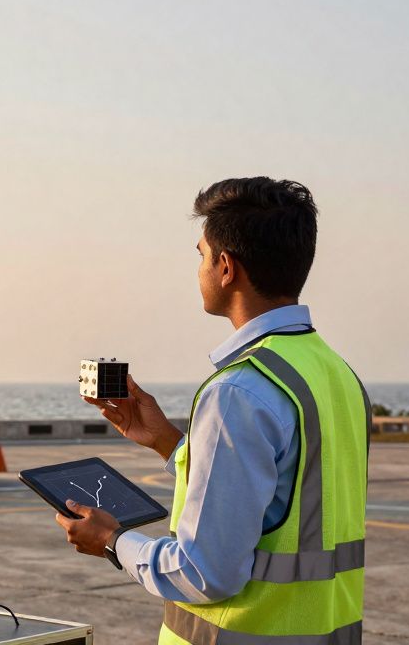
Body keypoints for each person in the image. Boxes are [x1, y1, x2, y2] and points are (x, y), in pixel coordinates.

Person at [55, 177, 370, 644]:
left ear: (226, 268)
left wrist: (113, 541)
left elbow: (205, 573)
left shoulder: (238, 391)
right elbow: (288, 494)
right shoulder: (336, 374)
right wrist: (168, 442)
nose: (199, 269)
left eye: (201, 255)